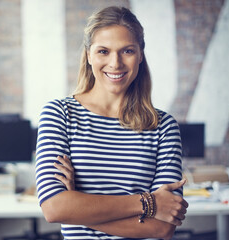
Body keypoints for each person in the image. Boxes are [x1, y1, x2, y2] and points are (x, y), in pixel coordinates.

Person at [35, 6, 188, 240]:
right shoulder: (60, 114)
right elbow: (54, 209)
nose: (115, 63)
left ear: (141, 54)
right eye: (103, 51)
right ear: (88, 54)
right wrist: (149, 202)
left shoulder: (163, 126)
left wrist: (78, 207)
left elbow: (162, 228)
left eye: (127, 51)